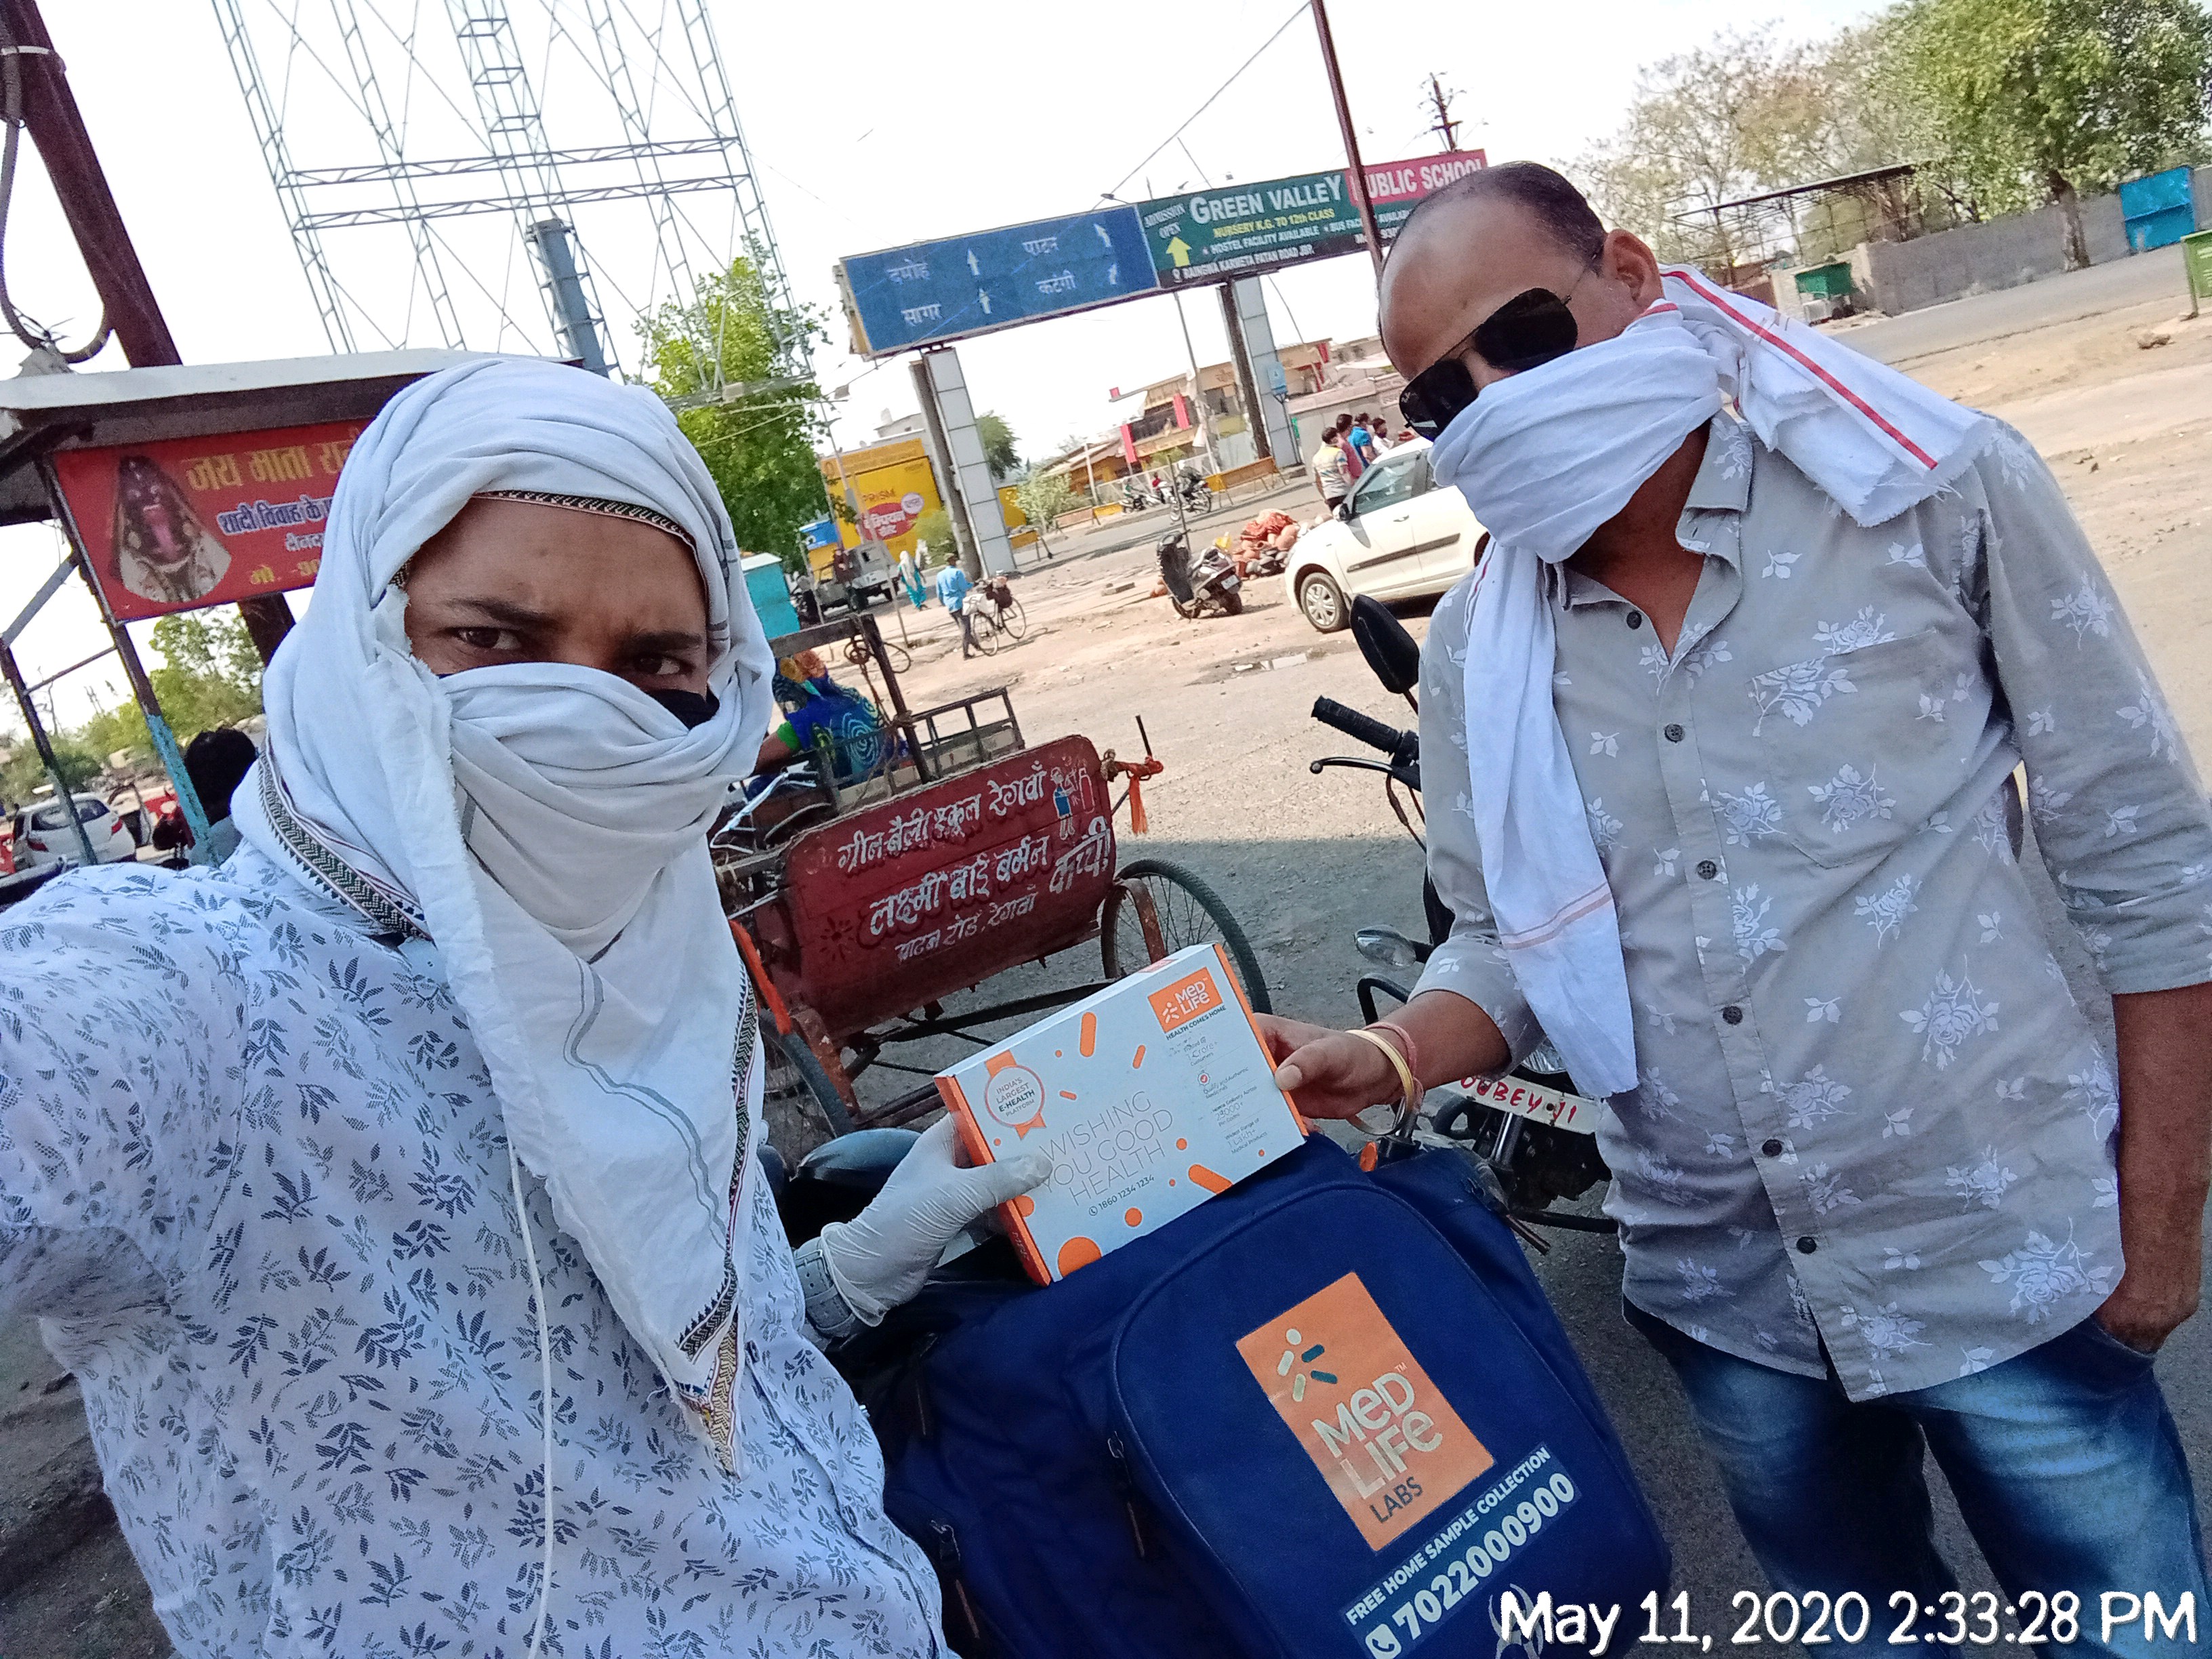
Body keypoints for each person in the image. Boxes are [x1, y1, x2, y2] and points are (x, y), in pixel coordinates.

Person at [1260, 163, 2212, 1652]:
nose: (1495, 400)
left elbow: (2150, 863)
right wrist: (1385, 1060)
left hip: (2004, 1256)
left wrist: (2160, 1225)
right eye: (1441, 395)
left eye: (1521, 334)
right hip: (1729, 1301)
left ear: (1632, 279)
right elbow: (1508, 942)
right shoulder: (1477, 658)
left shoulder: (1926, 490)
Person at [0, 358, 1050, 1659]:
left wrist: (833, 1279)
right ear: (362, 643)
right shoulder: (196, 995)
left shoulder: (652, 952)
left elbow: (647, 1384)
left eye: (654, 660)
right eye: (492, 640)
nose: (582, 717)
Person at [935, 554, 979, 657]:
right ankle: (965, 653)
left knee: (963, 627)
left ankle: (977, 645)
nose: (956, 562)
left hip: (950, 605)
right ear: (952, 561)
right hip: (959, 603)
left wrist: (943, 603)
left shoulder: (940, 575)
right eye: (954, 560)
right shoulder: (957, 573)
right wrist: (973, 585)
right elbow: (963, 587)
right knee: (965, 629)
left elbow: (939, 593)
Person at [1309, 419, 1351, 514]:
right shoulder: (1338, 453)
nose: (1339, 439)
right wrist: (1353, 489)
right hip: (1343, 492)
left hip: (1329, 495)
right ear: (1333, 439)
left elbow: (1318, 481)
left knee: (1339, 520)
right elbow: (1344, 473)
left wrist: (1324, 497)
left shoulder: (1316, 458)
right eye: (1338, 436)